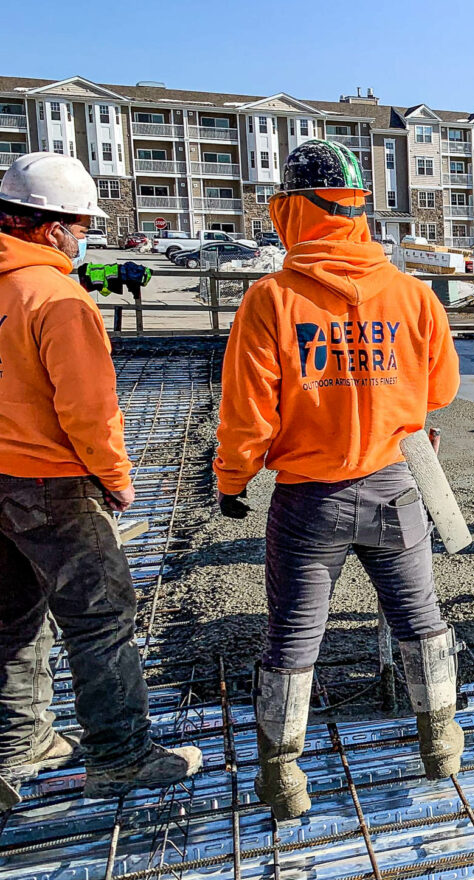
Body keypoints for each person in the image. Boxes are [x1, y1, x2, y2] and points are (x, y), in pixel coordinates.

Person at [213, 140, 463, 820]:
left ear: (292, 211)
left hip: (308, 501)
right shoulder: (412, 295)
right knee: (419, 618)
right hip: (394, 486)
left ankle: (282, 777)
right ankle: (440, 744)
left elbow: (247, 416)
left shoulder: (271, 301)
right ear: (356, 209)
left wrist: (232, 482)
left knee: (294, 636)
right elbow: (441, 389)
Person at [0, 152, 202, 808]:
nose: (85, 237)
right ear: (52, 226)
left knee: (13, 616)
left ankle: (18, 743)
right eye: (83, 226)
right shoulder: (56, 297)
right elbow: (89, 409)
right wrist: (116, 480)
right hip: (53, 482)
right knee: (101, 619)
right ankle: (120, 755)